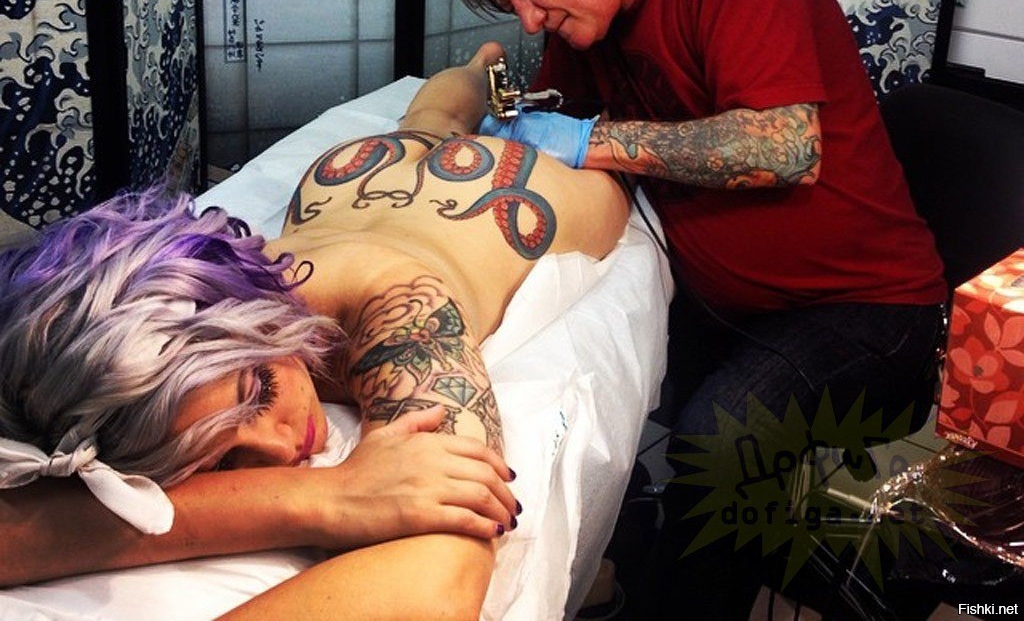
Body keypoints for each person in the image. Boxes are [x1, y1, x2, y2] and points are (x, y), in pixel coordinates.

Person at [445, 0, 948, 617]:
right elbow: (555, 136)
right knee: (582, 406)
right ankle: (632, 565)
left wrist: (589, 142)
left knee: (717, 448)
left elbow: (784, 147)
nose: (528, 20)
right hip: (727, 306)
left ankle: (851, 592)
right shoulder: (586, 21)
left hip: (867, 309)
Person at [0, 41, 629, 620]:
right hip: (357, 181)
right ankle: (479, 66)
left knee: (462, 123)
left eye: (260, 390)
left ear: (254, 313)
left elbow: (440, 578)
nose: (279, 452)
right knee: (429, 123)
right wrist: (321, 496)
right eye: (224, 461)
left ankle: (483, 64)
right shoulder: (181, 331)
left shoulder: (402, 310)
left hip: (526, 181)